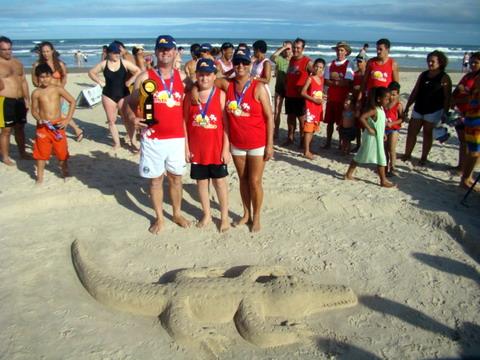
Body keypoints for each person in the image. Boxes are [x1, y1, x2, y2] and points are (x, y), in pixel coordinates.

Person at [124, 35, 192, 234]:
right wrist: (132, 119)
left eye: (169, 49)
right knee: (155, 181)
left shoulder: (182, 79)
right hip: (153, 138)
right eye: (161, 49)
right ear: (155, 52)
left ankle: (177, 213)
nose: (165, 52)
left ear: (175, 52)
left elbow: (201, 92)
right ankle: (159, 218)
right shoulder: (145, 78)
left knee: (176, 178)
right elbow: (129, 103)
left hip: (177, 139)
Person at [208, 46, 274, 232]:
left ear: (250, 64)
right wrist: (196, 91)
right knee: (243, 180)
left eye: (244, 62)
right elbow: (207, 80)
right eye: (237, 62)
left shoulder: (258, 87)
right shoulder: (227, 85)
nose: (240, 66)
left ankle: (257, 216)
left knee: (255, 181)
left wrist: (270, 145)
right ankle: (246, 214)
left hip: (257, 143)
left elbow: (270, 118)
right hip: (237, 143)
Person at [184, 58, 230, 232]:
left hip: (216, 149)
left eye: (208, 75)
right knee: (201, 184)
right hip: (197, 150)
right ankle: (207, 214)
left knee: (220, 183)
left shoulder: (220, 95)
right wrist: (186, 148)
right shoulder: (189, 97)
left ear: (214, 76)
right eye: (201, 75)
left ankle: (224, 217)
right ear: (196, 75)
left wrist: (226, 149)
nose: (204, 78)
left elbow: (226, 125)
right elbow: (184, 122)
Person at [88, 42, 141, 151]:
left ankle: (133, 141)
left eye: (118, 53)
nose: (117, 55)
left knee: (127, 120)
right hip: (108, 95)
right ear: (109, 53)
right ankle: (117, 143)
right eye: (115, 53)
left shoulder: (124, 63)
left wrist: (130, 81)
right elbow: (91, 72)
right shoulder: (104, 64)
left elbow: (137, 71)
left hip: (123, 94)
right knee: (111, 121)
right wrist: (99, 81)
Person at [402, 50, 452, 165]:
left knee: (427, 134)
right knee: (411, 132)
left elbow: (447, 97)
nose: (430, 63)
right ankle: (407, 154)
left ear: (440, 62)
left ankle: (423, 157)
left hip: (434, 111)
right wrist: (408, 106)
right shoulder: (423, 75)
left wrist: (445, 113)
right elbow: (415, 91)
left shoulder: (444, 77)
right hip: (419, 108)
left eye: (432, 61)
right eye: (428, 61)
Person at [31, 64, 76, 183]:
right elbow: (34, 110)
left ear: (51, 76)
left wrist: (67, 119)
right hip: (43, 127)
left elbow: (72, 101)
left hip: (57, 126)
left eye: (46, 76)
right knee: (41, 153)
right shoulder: (36, 93)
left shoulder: (58, 89)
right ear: (37, 78)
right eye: (41, 77)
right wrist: (38, 118)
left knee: (62, 152)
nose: (44, 79)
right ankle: (39, 178)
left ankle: (65, 172)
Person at [32, 41, 84, 141]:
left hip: (59, 94)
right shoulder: (37, 65)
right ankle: (75, 130)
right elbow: (34, 81)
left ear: (52, 51)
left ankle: (75, 130)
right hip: (44, 95)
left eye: (48, 51)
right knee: (45, 115)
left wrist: (60, 90)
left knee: (60, 114)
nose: (46, 54)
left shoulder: (59, 64)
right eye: (43, 52)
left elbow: (64, 77)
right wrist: (42, 86)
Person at [345, 87, 395, 188]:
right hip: (371, 138)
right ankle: (383, 180)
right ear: (379, 99)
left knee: (377, 157)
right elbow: (362, 117)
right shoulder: (374, 110)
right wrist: (369, 128)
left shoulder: (381, 109)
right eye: (386, 99)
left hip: (378, 137)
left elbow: (380, 124)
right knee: (369, 156)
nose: (388, 101)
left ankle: (349, 174)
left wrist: (383, 133)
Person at [0, 36, 30, 165]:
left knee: (20, 127)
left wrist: (27, 99)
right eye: (4, 49)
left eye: (9, 49)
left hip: (19, 100)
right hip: (5, 100)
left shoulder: (17, 63)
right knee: (6, 130)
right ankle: (5, 157)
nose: (7, 52)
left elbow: (23, 81)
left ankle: (22, 153)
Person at [451, 52, 480, 175]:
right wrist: (453, 100)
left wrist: (460, 97)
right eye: (471, 62)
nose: (472, 65)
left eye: (476, 62)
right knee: (463, 141)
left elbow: (473, 98)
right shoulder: (468, 76)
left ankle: (467, 171)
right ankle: (461, 166)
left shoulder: (478, 78)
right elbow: (457, 90)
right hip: (462, 113)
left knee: (473, 146)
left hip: (474, 114)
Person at [323, 41, 354, 149]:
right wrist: (337, 82)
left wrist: (334, 81)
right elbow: (326, 81)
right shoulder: (329, 64)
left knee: (341, 123)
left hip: (342, 99)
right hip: (331, 98)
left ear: (346, 52)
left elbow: (348, 82)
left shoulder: (349, 64)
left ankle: (341, 144)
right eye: (338, 50)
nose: (339, 52)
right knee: (329, 122)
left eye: (342, 50)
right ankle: (328, 142)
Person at [284, 38, 313, 146]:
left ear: (303, 49)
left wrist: (307, 88)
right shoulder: (292, 60)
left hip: (300, 96)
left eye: (298, 48)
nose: (296, 50)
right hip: (289, 94)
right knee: (290, 118)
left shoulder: (307, 61)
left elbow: (315, 75)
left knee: (302, 119)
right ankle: (290, 138)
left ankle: (302, 141)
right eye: (294, 48)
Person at [358, 38, 399, 104]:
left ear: (387, 50)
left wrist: (394, 102)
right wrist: (359, 98)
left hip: (384, 101)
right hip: (370, 99)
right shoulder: (371, 62)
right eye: (377, 49)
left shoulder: (393, 64)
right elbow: (364, 81)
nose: (378, 51)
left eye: (380, 49)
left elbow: (396, 86)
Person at [300, 58, 325, 159]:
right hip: (311, 107)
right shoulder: (310, 78)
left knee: (313, 129)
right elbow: (302, 92)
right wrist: (313, 100)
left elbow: (318, 91)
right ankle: (306, 151)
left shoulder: (321, 79)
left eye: (320, 67)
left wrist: (322, 97)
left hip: (318, 108)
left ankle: (308, 148)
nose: (318, 69)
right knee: (308, 130)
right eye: (316, 67)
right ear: (313, 67)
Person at [461, 72, 480, 191]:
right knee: (473, 153)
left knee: (476, 154)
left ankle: (468, 177)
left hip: (474, 121)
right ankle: (465, 179)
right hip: (475, 124)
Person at [270, 41, 293, 139]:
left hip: (290, 90)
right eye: (286, 49)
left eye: (289, 49)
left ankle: (290, 135)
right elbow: (272, 57)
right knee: (277, 111)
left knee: (291, 114)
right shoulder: (280, 59)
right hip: (279, 88)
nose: (287, 51)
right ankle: (276, 132)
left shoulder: (294, 60)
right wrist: (283, 48)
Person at [384, 81, 404, 176]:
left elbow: (401, 118)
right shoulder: (384, 103)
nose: (392, 97)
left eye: (394, 95)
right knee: (384, 149)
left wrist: (392, 123)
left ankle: (393, 167)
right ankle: (385, 167)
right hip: (384, 129)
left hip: (394, 129)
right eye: (390, 94)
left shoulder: (398, 105)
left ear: (397, 94)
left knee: (391, 148)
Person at [352, 54, 367, 151]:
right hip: (355, 100)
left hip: (365, 101)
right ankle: (358, 145)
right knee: (356, 125)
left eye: (360, 61)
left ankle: (365, 146)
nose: (358, 63)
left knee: (364, 125)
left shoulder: (368, 75)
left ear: (365, 62)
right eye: (357, 61)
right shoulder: (355, 74)